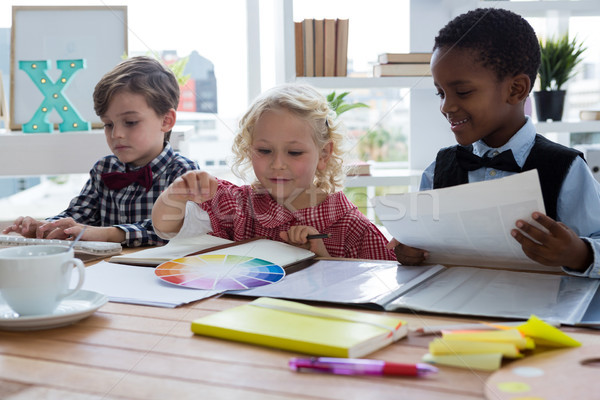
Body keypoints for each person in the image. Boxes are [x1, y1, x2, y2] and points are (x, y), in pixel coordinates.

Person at [387, 8, 600, 278]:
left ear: (516, 89)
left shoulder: (567, 168)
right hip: (450, 312)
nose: (446, 106)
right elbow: (420, 246)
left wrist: (579, 254)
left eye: (462, 92)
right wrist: (410, 252)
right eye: (440, 93)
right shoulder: (436, 171)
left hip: (539, 314)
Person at [152, 83, 395, 260]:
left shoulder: (353, 228)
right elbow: (166, 227)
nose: (278, 164)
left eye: (294, 153)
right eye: (265, 151)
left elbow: (381, 290)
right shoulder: (236, 207)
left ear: (323, 154)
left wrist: (323, 259)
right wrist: (177, 194)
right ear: (249, 149)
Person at [3, 56, 199, 246]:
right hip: (107, 271)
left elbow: (172, 230)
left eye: (130, 122)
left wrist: (108, 234)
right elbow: (78, 214)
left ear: (166, 121)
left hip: (159, 274)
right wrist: (46, 227)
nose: (117, 134)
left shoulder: (185, 173)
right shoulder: (103, 168)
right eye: (108, 124)